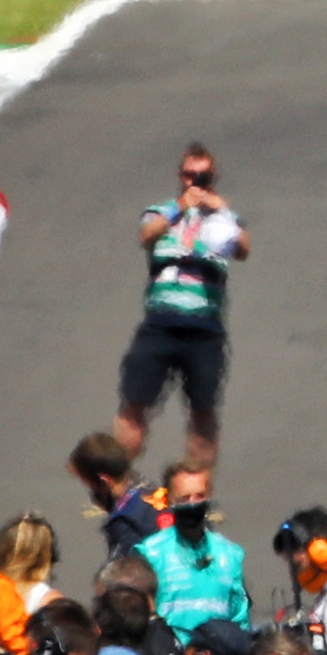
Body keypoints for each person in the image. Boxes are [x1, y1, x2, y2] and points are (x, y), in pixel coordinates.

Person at [117, 149, 245, 485]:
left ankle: (197, 489)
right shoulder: (161, 211)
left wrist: (222, 210)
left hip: (205, 328)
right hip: (160, 323)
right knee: (134, 405)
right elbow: (147, 235)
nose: (197, 182)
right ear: (181, 176)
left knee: (203, 412)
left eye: (204, 176)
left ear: (214, 178)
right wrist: (181, 206)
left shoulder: (223, 218)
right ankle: (117, 486)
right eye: (190, 175)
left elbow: (243, 248)